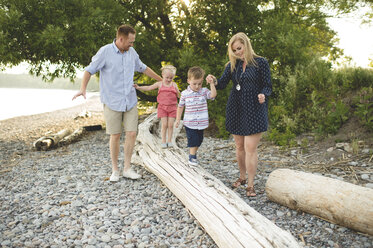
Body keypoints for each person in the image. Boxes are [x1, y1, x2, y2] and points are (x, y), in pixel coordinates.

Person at [72, 24, 162, 182]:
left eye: (133, 42)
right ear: (121, 39)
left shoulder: (131, 52)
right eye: (130, 41)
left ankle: (127, 168)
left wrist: (162, 80)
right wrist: (83, 89)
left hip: (130, 99)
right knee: (115, 135)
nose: (132, 45)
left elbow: (143, 68)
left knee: (132, 133)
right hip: (112, 101)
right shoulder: (105, 52)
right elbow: (89, 70)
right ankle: (115, 170)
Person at [206, 32, 272, 197]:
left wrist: (263, 94)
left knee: (250, 148)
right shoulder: (232, 65)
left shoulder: (260, 63)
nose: (237, 52)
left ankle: (250, 184)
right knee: (239, 146)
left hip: (255, 109)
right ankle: (242, 177)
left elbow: (268, 86)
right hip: (236, 108)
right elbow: (221, 84)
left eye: (239, 48)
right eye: (234, 50)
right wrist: (213, 81)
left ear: (246, 45)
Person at [175, 66, 217, 165]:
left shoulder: (204, 91)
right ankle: (192, 157)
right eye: (194, 84)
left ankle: (192, 153)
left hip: (201, 122)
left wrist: (212, 83)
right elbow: (180, 107)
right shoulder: (185, 94)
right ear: (188, 81)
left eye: (200, 83)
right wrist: (177, 119)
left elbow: (213, 95)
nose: (197, 86)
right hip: (189, 122)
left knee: (199, 140)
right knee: (193, 140)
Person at [134, 65, 180, 148]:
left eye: (171, 78)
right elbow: (148, 88)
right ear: (162, 75)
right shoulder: (159, 84)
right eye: (167, 77)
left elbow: (179, 94)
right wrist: (139, 87)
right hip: (162, 107)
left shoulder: (174, 85)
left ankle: (169, 141)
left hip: (172, 108)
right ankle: (163, 141)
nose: (169, 79)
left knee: (170, 125)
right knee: (164, 124)